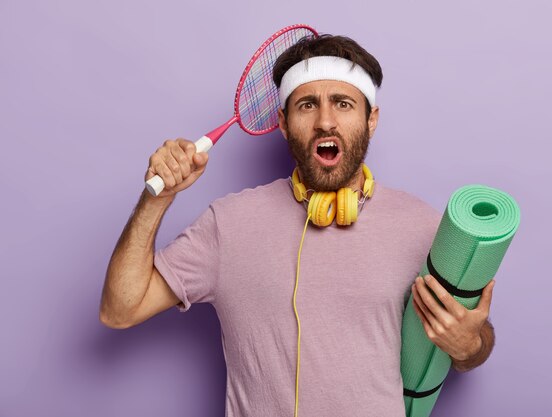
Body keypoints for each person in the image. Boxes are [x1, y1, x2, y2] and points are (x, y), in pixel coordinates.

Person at [100, 34, 496, 417]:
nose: (325, 121)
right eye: (307, 105)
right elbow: (120, 309)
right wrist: (158, 199)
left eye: (342, 103)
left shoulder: (421, 225)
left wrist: (469, 345)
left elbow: (476, 339)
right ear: (284, 123)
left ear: (370, 120)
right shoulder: (229, 224)